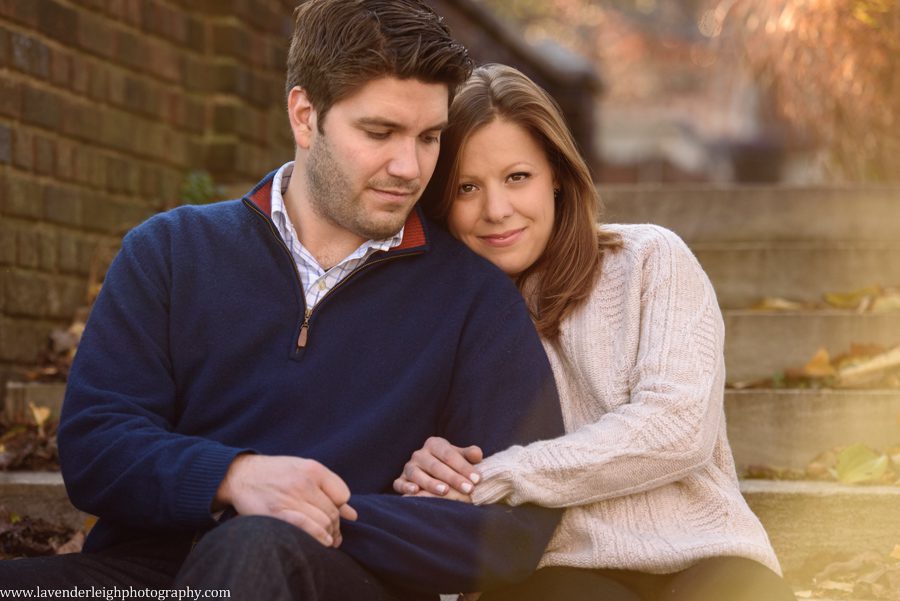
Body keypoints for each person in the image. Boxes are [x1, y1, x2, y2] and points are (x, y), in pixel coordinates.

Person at [0, 7, 567, 600]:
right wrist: (234, 477)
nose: (409, 167)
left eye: (429, 138)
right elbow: (96, 446)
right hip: (139, 579)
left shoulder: (471, 296)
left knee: (257, 549)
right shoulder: (170, 251)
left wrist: (318, 516)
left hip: (337, 578)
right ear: (304, 115)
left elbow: (514, 528)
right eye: (379, 133)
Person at [393, 64, 796, 601]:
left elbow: (675, 428)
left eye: (517, 177)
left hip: (706, 550)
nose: (496, 210)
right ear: (442, 202)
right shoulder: (442, 318)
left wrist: (501, 475)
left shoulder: (651, 259)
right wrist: (431, 469)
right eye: (468, 187)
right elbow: (423, 471)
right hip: (550, 572)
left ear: (556, 175)